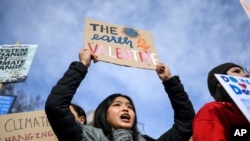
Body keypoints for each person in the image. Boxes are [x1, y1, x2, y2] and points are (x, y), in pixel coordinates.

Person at [45, 47, 195, 141]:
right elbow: (56, 106)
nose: (126, 109)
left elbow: (186, 123)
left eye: (130, 107)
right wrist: (82, 66)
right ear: (104, 114)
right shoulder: (84, 136)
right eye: (117, 105)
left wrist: (169, 81)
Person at [192, 62, 250, 141]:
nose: (247, 75)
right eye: (236, 71)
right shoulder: (214, 110)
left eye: (244, 72)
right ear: (220, 82)